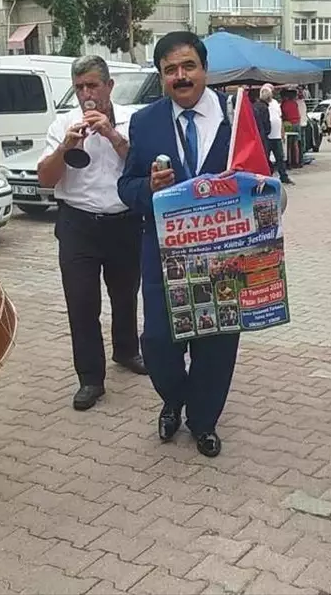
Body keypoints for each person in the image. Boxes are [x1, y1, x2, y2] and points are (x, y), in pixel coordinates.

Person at [117, 31, 242, 458]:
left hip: (223, 258)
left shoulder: (238, 117)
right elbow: (125, 186)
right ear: (160, 76)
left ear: (204, 69)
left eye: (188, 66)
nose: (180, 76)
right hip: (162, 258)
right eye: (170, 70)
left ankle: (203, 421)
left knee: (217, 343)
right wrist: (149, 189)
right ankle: (173, 399)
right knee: (158, 343)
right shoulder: (145, 121)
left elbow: (266, 178)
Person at [37, 55, 147, 412]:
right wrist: (65, 147)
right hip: (77, 223)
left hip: (124, 221)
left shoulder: (133, 120)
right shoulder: (62, 123)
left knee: (125, 294)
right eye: (80, 87)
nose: (87, 94)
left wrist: (113, 134)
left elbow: (142, 166)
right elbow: (45, 179)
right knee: (82, 303)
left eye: (93, 86)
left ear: (109, 86)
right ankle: (90, 378)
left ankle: (127, 349)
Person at [260, 85, 294, 184]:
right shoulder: (262, 104)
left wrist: (282, 132)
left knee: (280, 157)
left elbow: (280, 117)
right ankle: (266, 176)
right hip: (267, 136)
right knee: (266, 157)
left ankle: (283, 176)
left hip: (276, 135)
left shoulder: (275, 103)